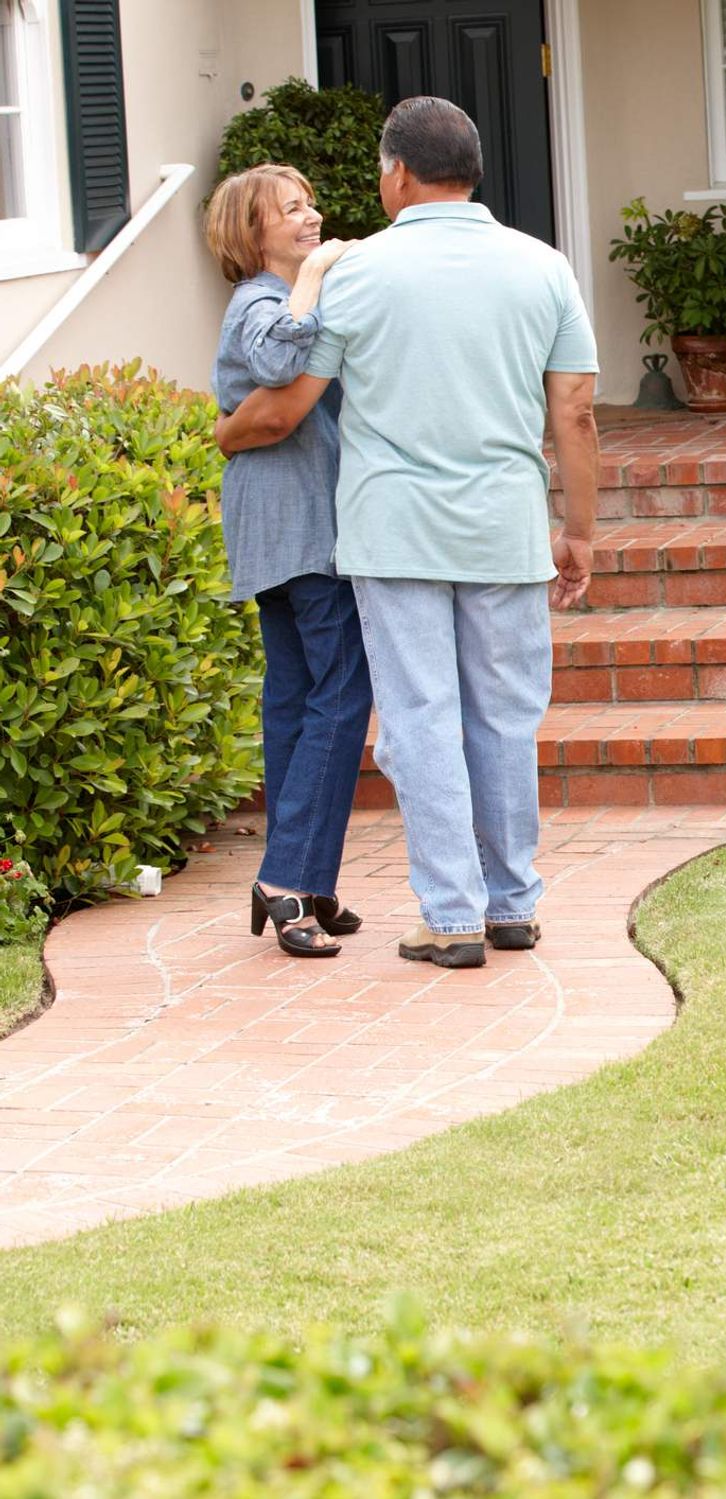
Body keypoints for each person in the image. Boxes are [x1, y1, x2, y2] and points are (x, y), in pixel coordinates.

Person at [216, 96, 601, 970]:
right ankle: (512, 903)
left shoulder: (357, 273)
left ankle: (452, 916)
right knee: (504, 716)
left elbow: (290, 405)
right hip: (506, 528)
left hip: (394, 535)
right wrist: (578, 532)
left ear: (396, 172)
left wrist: (226, 431)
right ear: (471, 169)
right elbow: (574, 411)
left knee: (422, 719)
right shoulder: (543, 266)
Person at [204, 165, 371, 960]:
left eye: (310, 205)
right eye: (291, 210)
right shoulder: (261, 303)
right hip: (297, 517)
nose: (311, 218)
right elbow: (275, 364)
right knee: (341, 692)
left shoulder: (275, 299)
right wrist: (313, 275)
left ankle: (306, 880)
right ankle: (286, 877)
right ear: (252, 232)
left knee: (298, 695)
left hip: (277, 514)